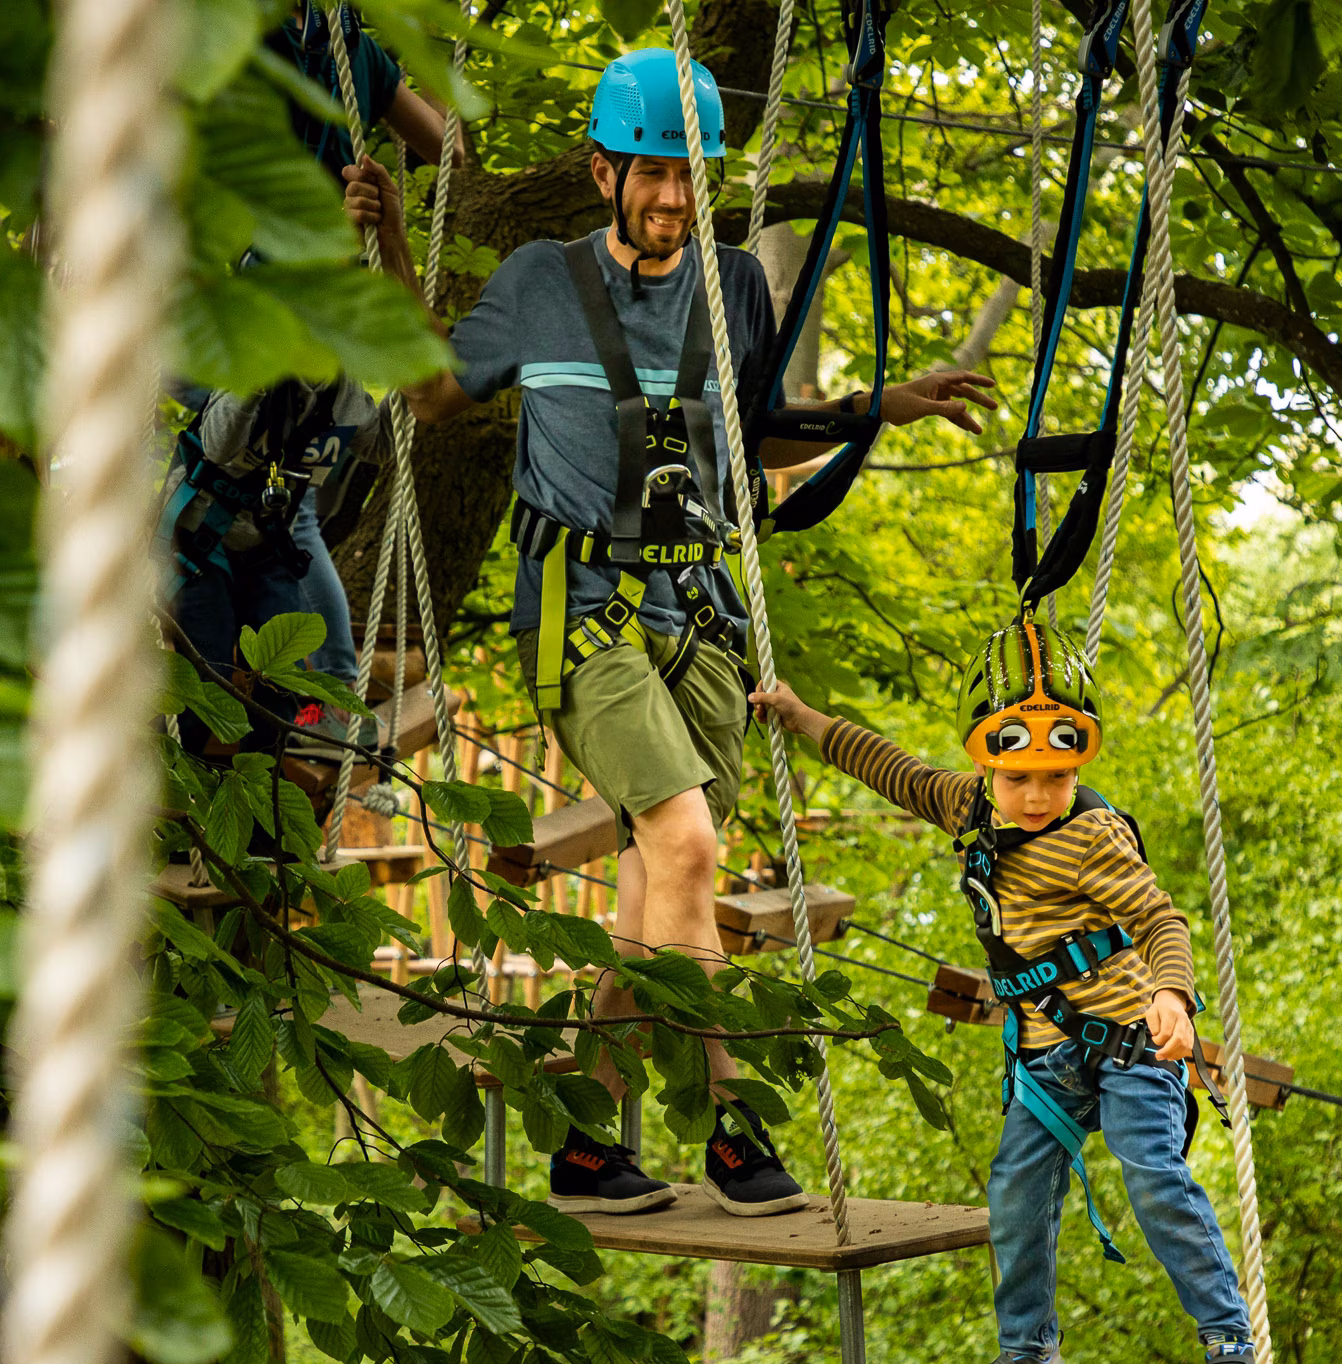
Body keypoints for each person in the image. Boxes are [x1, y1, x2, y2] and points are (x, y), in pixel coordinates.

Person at [349, 47, 999, 1218]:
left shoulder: (735, 284)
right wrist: (396, 247)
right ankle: (736, 1125)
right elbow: (436, 392)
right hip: (587, 611)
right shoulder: (540, 282)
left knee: (658, 889)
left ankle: (585, 1144)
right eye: (652, 174)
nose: (672, 198)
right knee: (690, 848)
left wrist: (872, 411)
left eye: (690, 176)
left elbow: (758, 442)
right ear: (603, 173)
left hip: (697, 612)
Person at [748, 615, 1262, 1364]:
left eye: (1054, 778)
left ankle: (1231, 1348)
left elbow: (1164, 921)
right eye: (1017, 777)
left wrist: (1171, 996)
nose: (1034, 796)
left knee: (1155, 1177)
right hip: (1046, 1060)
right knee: (1016, 1196)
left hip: (1130, 1045)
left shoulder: (1091, 838)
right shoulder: (969, 808)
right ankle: (1029, 1356)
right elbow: (890, 768)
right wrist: (804, 718)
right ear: (986, 764)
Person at [164, 3, 452, 732]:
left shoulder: (348, 44)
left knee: (311, 650)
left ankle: (297, 743)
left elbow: (446, 144)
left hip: (307, 291)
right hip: (242, 295)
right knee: (211, 476)